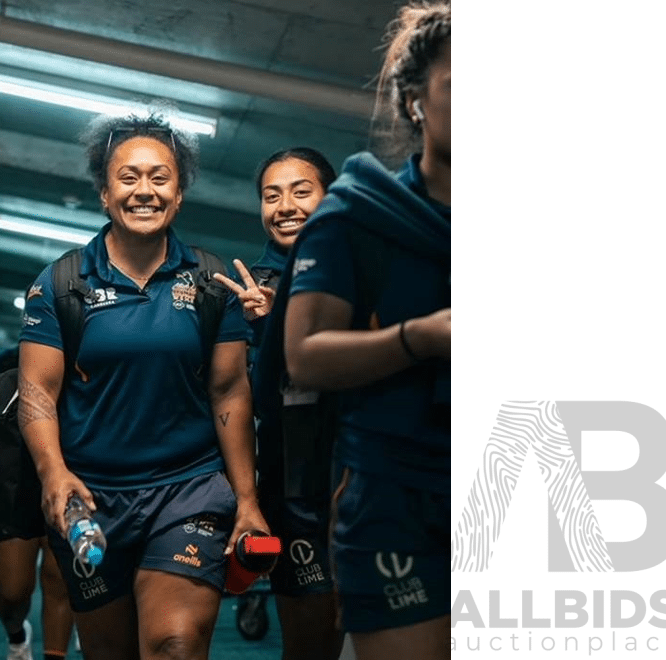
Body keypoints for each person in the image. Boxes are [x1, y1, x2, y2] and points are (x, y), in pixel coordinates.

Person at [16, 111, 269, 660]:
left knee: (174, 645)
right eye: (128, 178)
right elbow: (38, 393)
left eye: (160, 177)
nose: (144, 191)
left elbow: (229, 393)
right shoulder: (61, 284)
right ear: (105, 194)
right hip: (90, 500)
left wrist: (247, 499)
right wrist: (53, 473)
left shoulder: (209, 282)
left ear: (179, 195)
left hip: (188, 492)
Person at [280, 3, 452, 659]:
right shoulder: (357, 217)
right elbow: (304, 355)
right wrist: (421, 338)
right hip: (396, 490)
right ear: (415, 102)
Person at [213, 148, 344, 660]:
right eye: (272, 195)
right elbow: (252, 399)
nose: (285, 205)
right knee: (313, 646)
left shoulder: (364, 265)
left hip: (375, 478)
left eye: (300, 191)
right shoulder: (250, 291)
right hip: (298, 490)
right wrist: (268, 327)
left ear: (330, 198)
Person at [0, 347, 75, 660]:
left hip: (65, 476)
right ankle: (17, 636)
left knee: (59, 579)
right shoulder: (1, 363)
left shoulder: (76, 351)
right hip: (11, 484)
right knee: (13, 592)